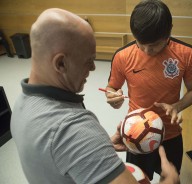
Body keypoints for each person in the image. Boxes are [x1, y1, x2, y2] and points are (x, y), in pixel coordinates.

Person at [10, 8, 180, 184]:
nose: (93, 68)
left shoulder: (21, 104)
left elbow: (57, 158)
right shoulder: (75, 130)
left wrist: (100, 148)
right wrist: (170, 181)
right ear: (60, 63)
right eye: (88, 61)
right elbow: (72, 139)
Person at [105, 0, 192, 180]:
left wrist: (177, 106)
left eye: (154, 44)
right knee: (138, 179)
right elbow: (112, 88)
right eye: (140, 43)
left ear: (169, 32)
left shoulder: (186, 53)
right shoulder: (122, 56)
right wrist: (113, 97)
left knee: (171, 179)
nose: (147, 51)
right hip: (135, 133)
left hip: (170, 133)